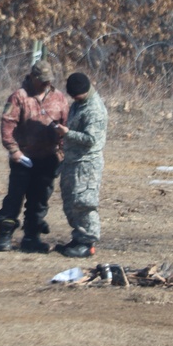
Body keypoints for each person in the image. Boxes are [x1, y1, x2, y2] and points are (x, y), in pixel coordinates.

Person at [0, 59, 69, 253]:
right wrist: (14, 151)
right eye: (42, 80)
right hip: (24, 158)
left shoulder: (59, 97)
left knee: (40, 199)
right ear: (33, 77)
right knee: (15, 197)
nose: (46, 84)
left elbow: (66, 125)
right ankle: (5, 235)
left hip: (48, 157)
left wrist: (62, 151)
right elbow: (7, 124)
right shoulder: (19, 97)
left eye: (49, 80)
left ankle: (31, 237)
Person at [52, 72, 108, 258]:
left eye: (77, 95)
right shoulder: (79, 104)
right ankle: (78, 237)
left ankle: (87, 243)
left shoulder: (94, 109)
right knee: (71, 202)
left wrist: (67, 133)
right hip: (72, 161)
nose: (74, 98)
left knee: (84, 202)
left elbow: (91, 139)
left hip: (87, 164)